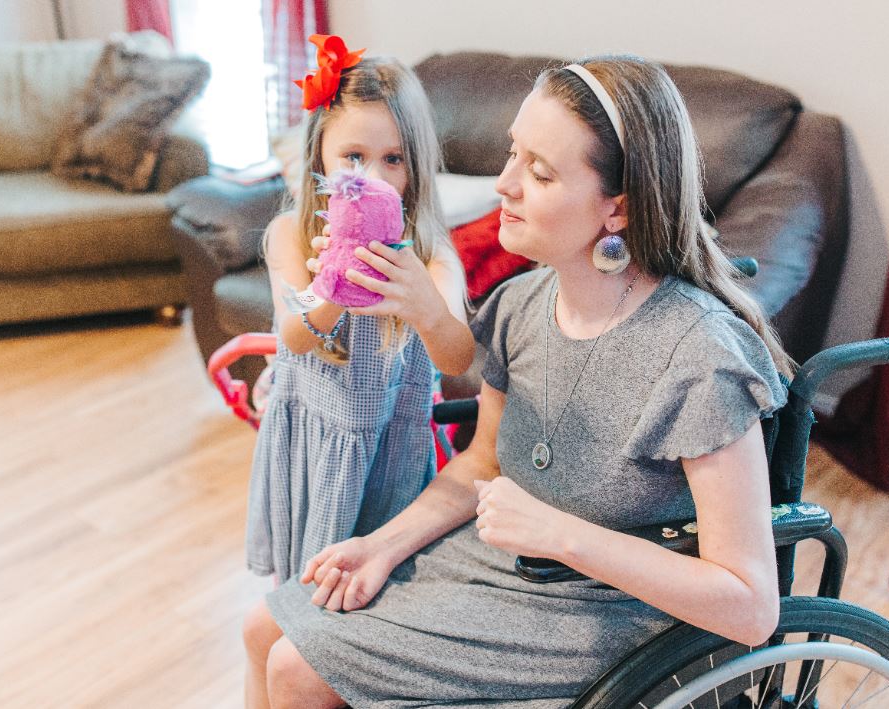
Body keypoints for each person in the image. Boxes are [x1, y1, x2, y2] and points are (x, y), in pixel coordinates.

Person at [242, 53, 791, 709]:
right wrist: (378, 546)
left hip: (607, 610)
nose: (502, 184)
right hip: (505, 562)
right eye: (512, 154)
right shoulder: (520, 306)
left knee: (297, 669)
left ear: (615, 208)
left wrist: (557, 531)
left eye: (537, 171)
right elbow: (479, 462)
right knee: (261, 628)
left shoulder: (698, 355)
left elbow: (751, 605)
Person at [246, 35, 473, 587]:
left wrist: (424, 308)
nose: (372, 178)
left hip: (388, 452)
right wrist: (332, 285)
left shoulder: (429, 256)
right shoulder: (291, 238)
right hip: (313, 446)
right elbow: (295, 337)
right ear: (318, 155)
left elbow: (457, 356)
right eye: (353, 157)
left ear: (415, 168)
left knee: (372, 591)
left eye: (392, 159)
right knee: (302, 586)